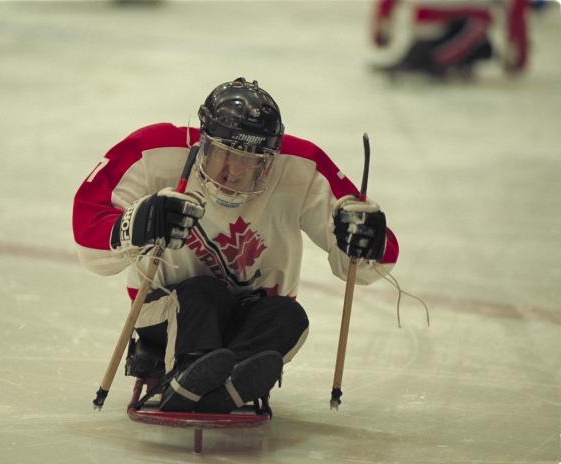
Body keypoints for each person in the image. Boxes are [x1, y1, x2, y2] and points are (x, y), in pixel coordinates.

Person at [72, 77, 399, 413]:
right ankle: (190, 372)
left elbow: (365, 254)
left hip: (250, 316)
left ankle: (218, 383)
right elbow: (88, 237)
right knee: (202, 294)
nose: (235, 172)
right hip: (165, 313)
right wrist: (142, 222)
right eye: (224, 155)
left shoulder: (302, 165)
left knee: (289, 316)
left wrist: (365, 242)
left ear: (271, 158)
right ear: (202, 142)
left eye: (252, 161)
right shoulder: (154, 150)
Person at [372, 0, 530, 77]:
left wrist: (517, 51)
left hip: (467, 26)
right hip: (429, 29)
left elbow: (516, 7)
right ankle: (423, 58)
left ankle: (427, 60)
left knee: (473, 27)